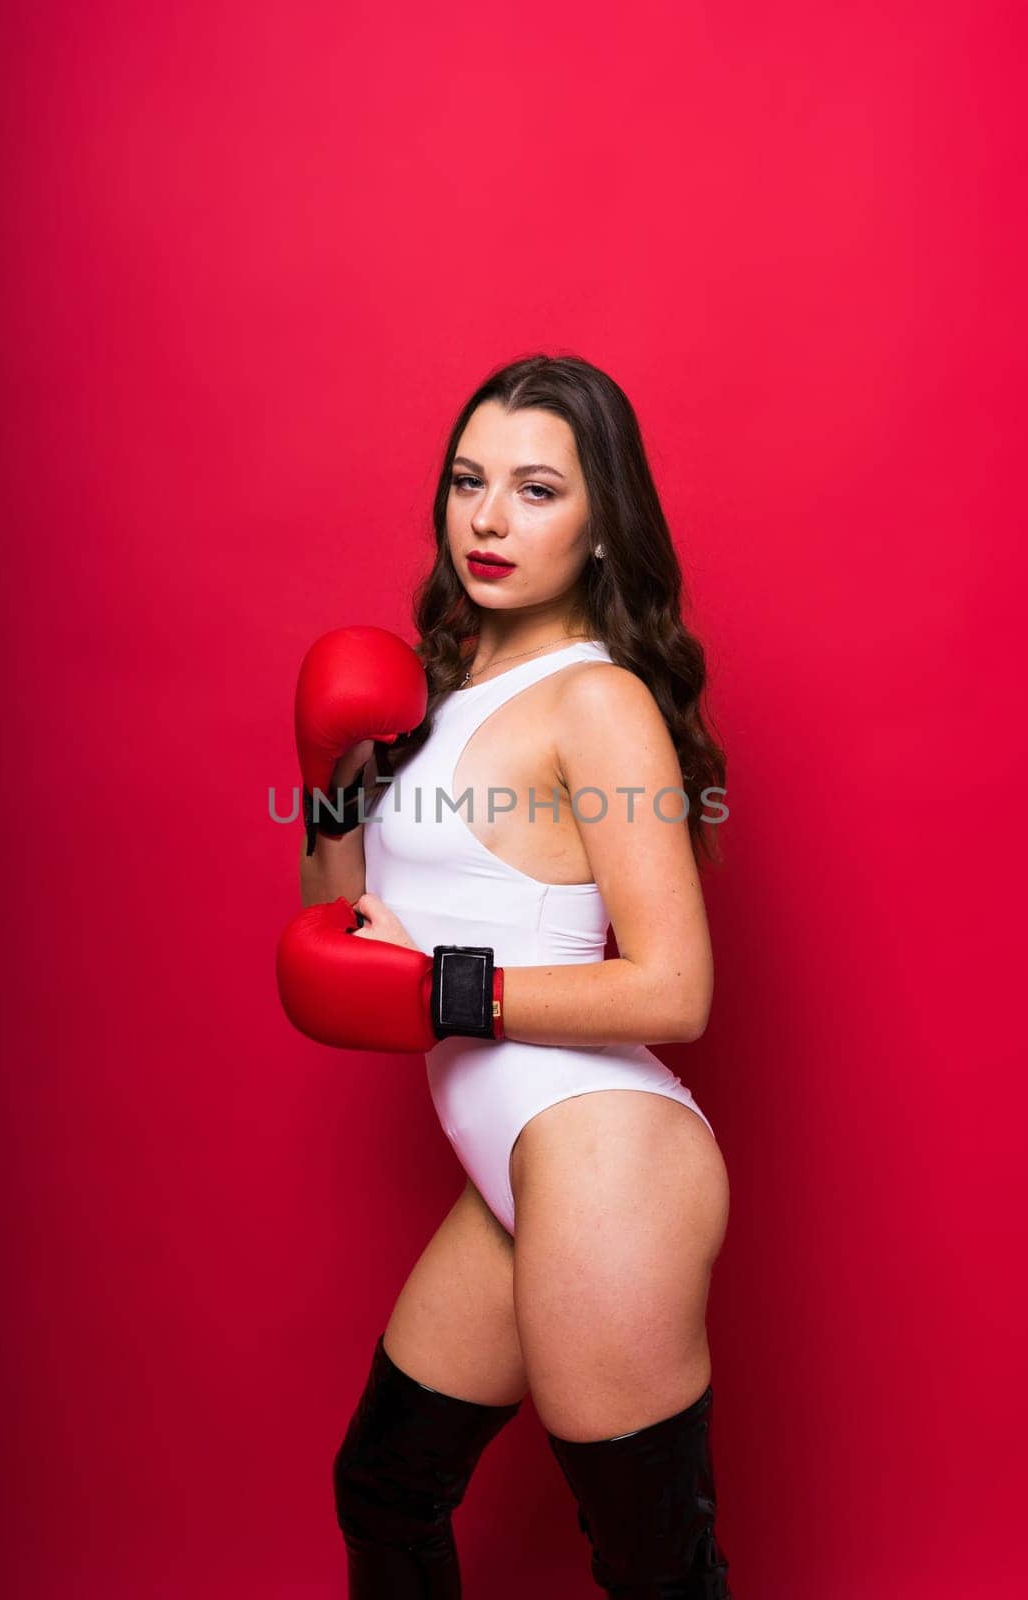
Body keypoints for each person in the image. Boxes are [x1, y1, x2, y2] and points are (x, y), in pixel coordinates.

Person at [297, 354, 734, 1596]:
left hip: (604, 1154)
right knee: (384, 1487)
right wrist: (328, 779)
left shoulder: (594, 702)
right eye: (466, 481)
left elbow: (673, 988)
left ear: (602, 524)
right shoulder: (429, 692)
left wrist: (438, 985)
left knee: (653, 1565)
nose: (487, 520)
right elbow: (339, 939)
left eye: (535, 489)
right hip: (516, 1164)